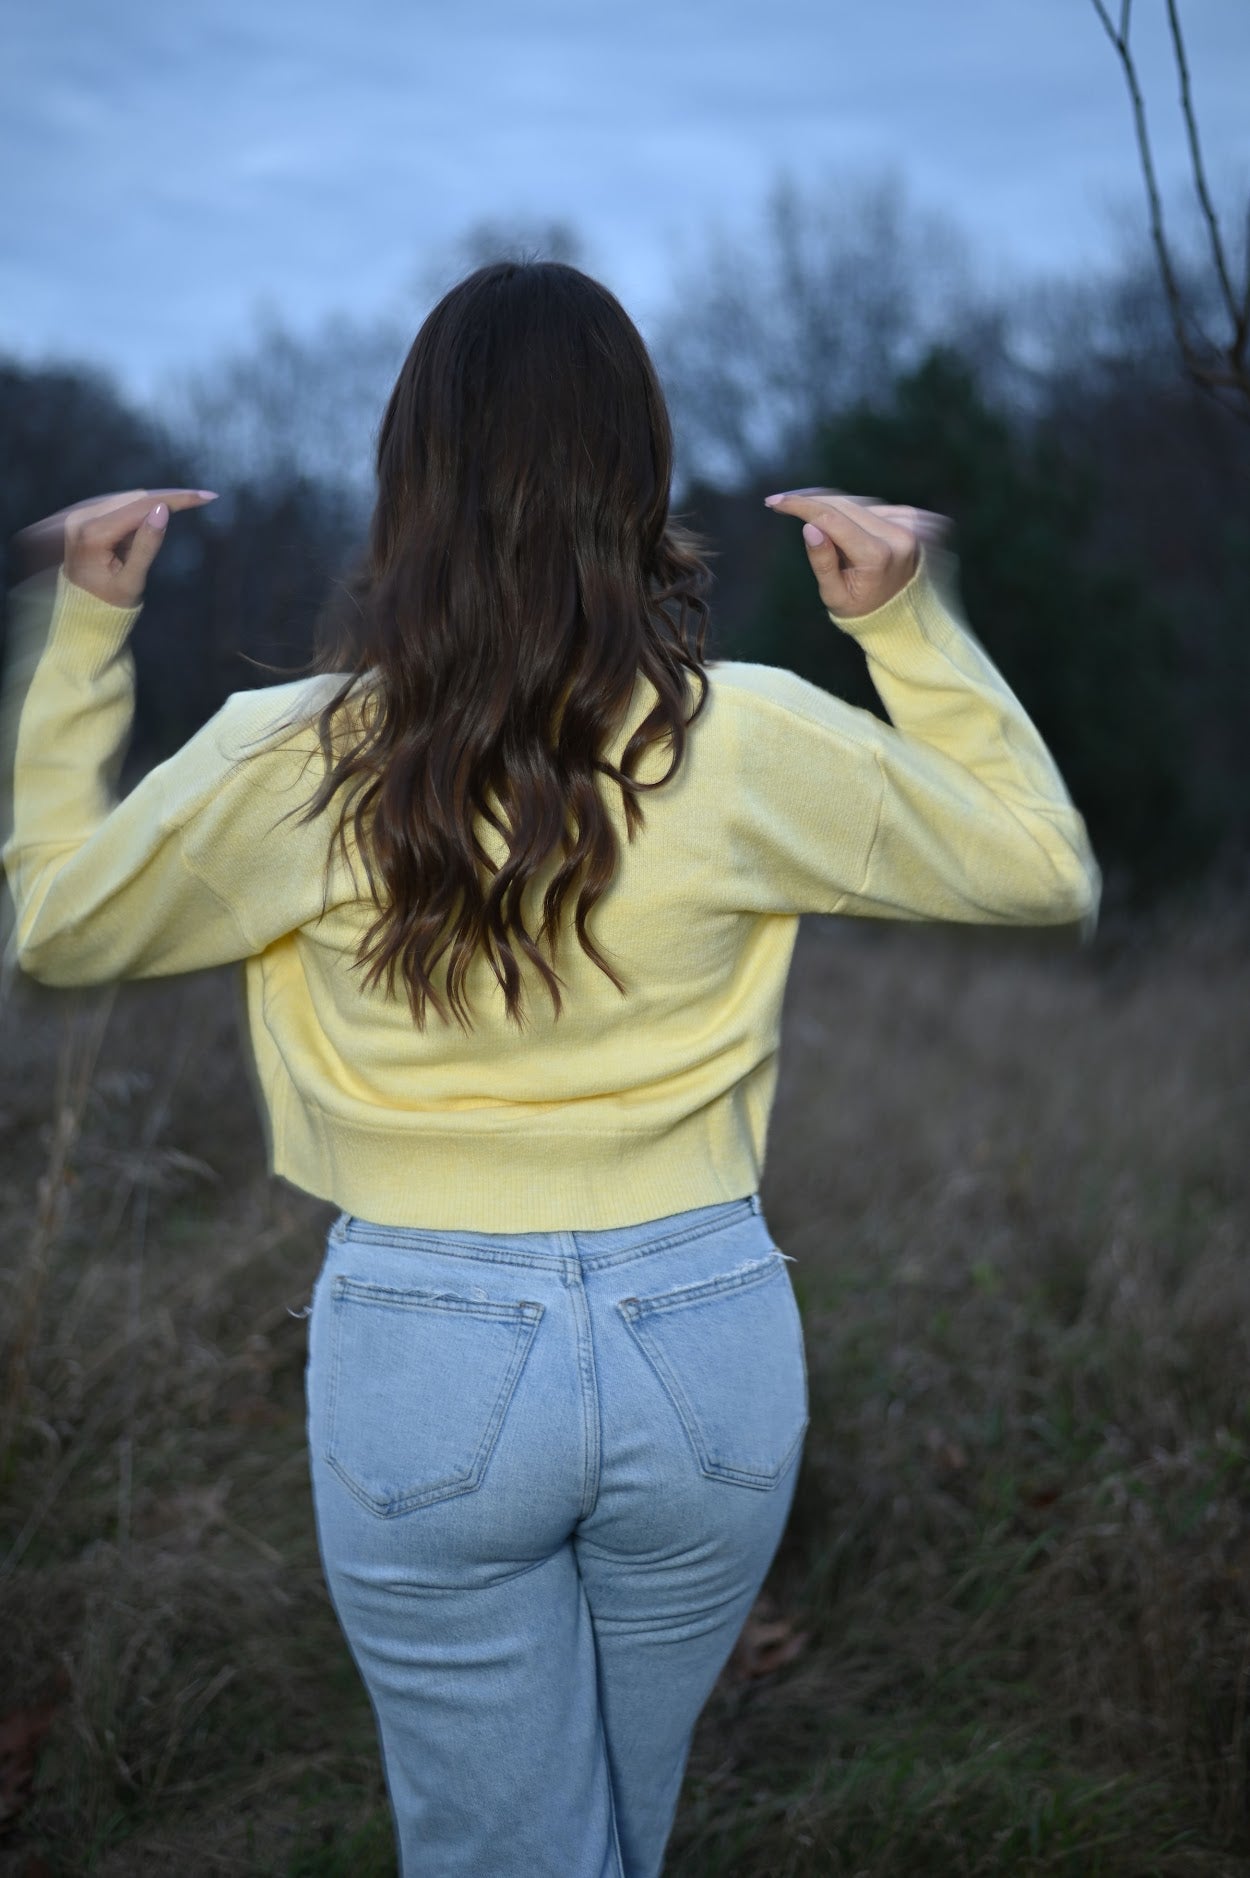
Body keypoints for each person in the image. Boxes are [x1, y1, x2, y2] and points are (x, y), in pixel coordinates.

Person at [1, 260, 1100, 1878]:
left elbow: (59, 928)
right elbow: (1040, 865)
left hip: (426, 1347)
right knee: (608, 1844)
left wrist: (87, 635)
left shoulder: (297, 754)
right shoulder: (750, 734)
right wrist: (904, 628)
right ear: (635, 472)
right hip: (710, 1335)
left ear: (410, 476)